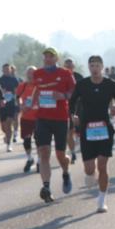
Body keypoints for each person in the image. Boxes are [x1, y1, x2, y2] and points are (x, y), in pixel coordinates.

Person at [69, 55, 115, 213]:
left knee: (102, 165)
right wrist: (73, 116)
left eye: (97, 65)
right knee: (89, 169)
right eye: (91, 65)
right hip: (87, 129)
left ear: (102, 67)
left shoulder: (111, 84)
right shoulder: (82, 85)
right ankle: (89, 174)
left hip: (104, 128)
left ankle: (102, 200)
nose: (94, 68)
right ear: (89, 68)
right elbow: (72, 102)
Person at [32, 47, 76, 202]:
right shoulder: (37, 74)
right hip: (42, 118)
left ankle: (65, 172)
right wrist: (33, 102)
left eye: (51, 56)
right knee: (43, 152)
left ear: (56, 59)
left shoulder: (65, 74)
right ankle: (46, 187)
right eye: (45, 57)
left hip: (60, 119)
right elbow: (36, 91)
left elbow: (74, 94)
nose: (48, 59)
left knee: (60, 155)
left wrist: (63, 95)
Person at [17, 66, 39, 173]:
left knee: (40, 140)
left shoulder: (40, 86)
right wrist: (21, 106)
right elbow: (17, 97)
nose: (31, 75)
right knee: (26, 141)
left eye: (33, 73)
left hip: (39, 117)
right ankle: (30, 159)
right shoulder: (23, 85)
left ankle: (39, 161)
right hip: (26, 117)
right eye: (29, 73)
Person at [63, 58, 83, 163]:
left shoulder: (79, 77)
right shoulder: (61, 76)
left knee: (77, 129)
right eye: (66, 66)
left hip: (78, 107)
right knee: (69, 132)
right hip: (65, 107)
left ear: (73, 67)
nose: (68, 68)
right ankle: (73, 152)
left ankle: (79, 142)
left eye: (70, 66)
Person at [0, 63, 21, 153]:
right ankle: (7, 136)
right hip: (2, 105)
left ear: (11, 70)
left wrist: (17, 101)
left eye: (8, 69)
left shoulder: (14, 80)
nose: (6, 71)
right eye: (5, 69)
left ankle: (9, 144)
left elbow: (17, 91)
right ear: (2, 70)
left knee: (9, 123)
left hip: (11, 104)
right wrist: (1, 92)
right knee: (3, 127)